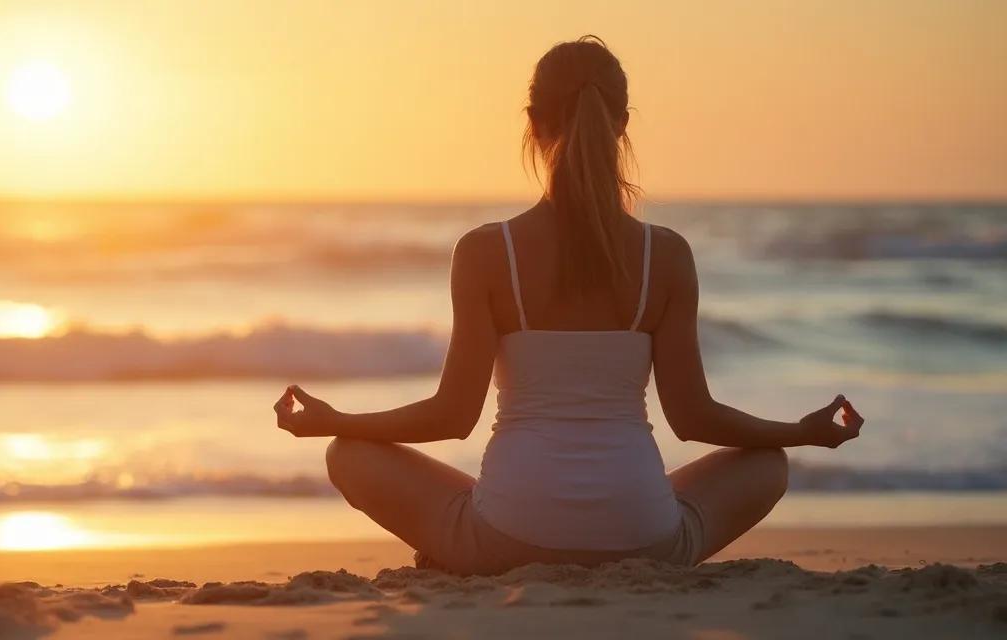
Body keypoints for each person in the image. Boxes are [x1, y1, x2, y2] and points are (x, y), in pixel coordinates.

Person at [270, 35, 864, 574]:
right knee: (768, 464)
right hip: (645, 540)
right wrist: (800, 431)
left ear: (532, 122)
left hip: (505, 539)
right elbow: (693, 418)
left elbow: (451, 417)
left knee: (350, 456)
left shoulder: (485, 252)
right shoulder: (667, 255)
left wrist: (335, 421)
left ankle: (463, 548)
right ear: (623, 124)